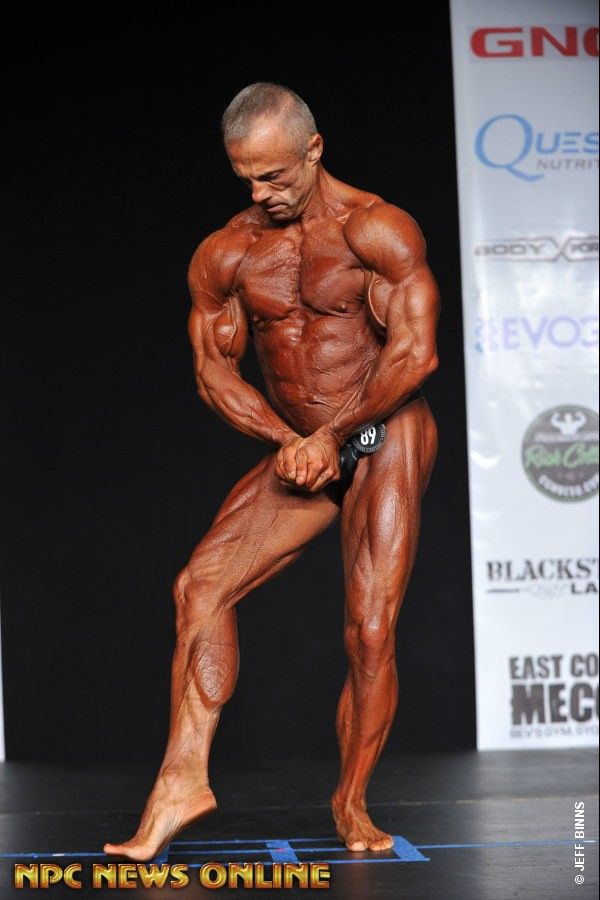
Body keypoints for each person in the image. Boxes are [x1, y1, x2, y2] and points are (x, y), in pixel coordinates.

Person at [104, 82, 439, 861]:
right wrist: (290, 438)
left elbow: (414, 353)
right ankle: (182, 780)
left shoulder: (377, 230)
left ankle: (351, 802)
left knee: (370, 628)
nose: (261, 193)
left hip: (384, 433)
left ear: (313, 150)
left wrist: (335, 432)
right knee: (200, 587)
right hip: (302, 443)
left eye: (275, 176)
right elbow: (212, 373)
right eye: (247, 178)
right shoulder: (228, 251)